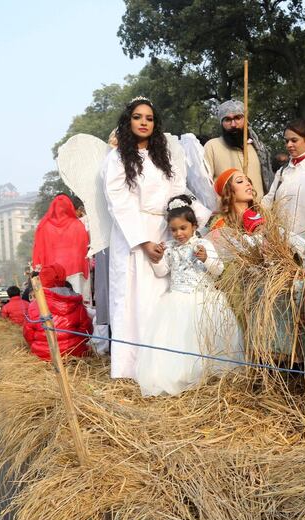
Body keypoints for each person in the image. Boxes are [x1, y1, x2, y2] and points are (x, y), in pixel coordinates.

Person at [103, 96, 187, 379]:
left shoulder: (163, 157)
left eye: (149, 118)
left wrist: (184, 220)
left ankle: (161, 365)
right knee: (131, 300)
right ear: (128, 121)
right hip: (132, 236)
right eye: (138, 117)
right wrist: (142, 241)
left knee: (160, 298)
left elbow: (177, 191)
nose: (143, 122)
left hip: (163, 230)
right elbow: (118, 200)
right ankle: (131, 367)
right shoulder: (116, 158)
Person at [135, 196, 242, 396]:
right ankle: (184, 376)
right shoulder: (169, 248)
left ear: (193, 226)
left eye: (183, 228)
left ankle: (210, 375)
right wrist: (157, 259)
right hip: (177, 299)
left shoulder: (203, 244)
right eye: (174, 230)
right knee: (180, 339)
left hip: (204, 298)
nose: (178, 233)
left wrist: (207, 259)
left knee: (207, 339)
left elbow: (218, 270)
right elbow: (162, 272)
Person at [203, 100, 272, 199]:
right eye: (227, 120)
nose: (233, 124)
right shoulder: (212, 146)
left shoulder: (259, 148)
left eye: (237, 118)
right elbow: (204, 184)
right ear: (221, 123)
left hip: (258, 212)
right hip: (227, 212)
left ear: (245, 120)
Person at [23, 264, 92, 361]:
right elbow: (87, 332)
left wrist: (39, 346)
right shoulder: (76, 303)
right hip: (74, 354)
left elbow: (28, 334)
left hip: (43, 356)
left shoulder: (34, 305)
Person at [32, 194, 91, 303]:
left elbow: (38, 249)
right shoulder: (77, 224)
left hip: (53, 273)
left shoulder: (44, 226)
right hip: (76, 270)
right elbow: (86, 244)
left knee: (56, 303)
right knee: (78, 301)